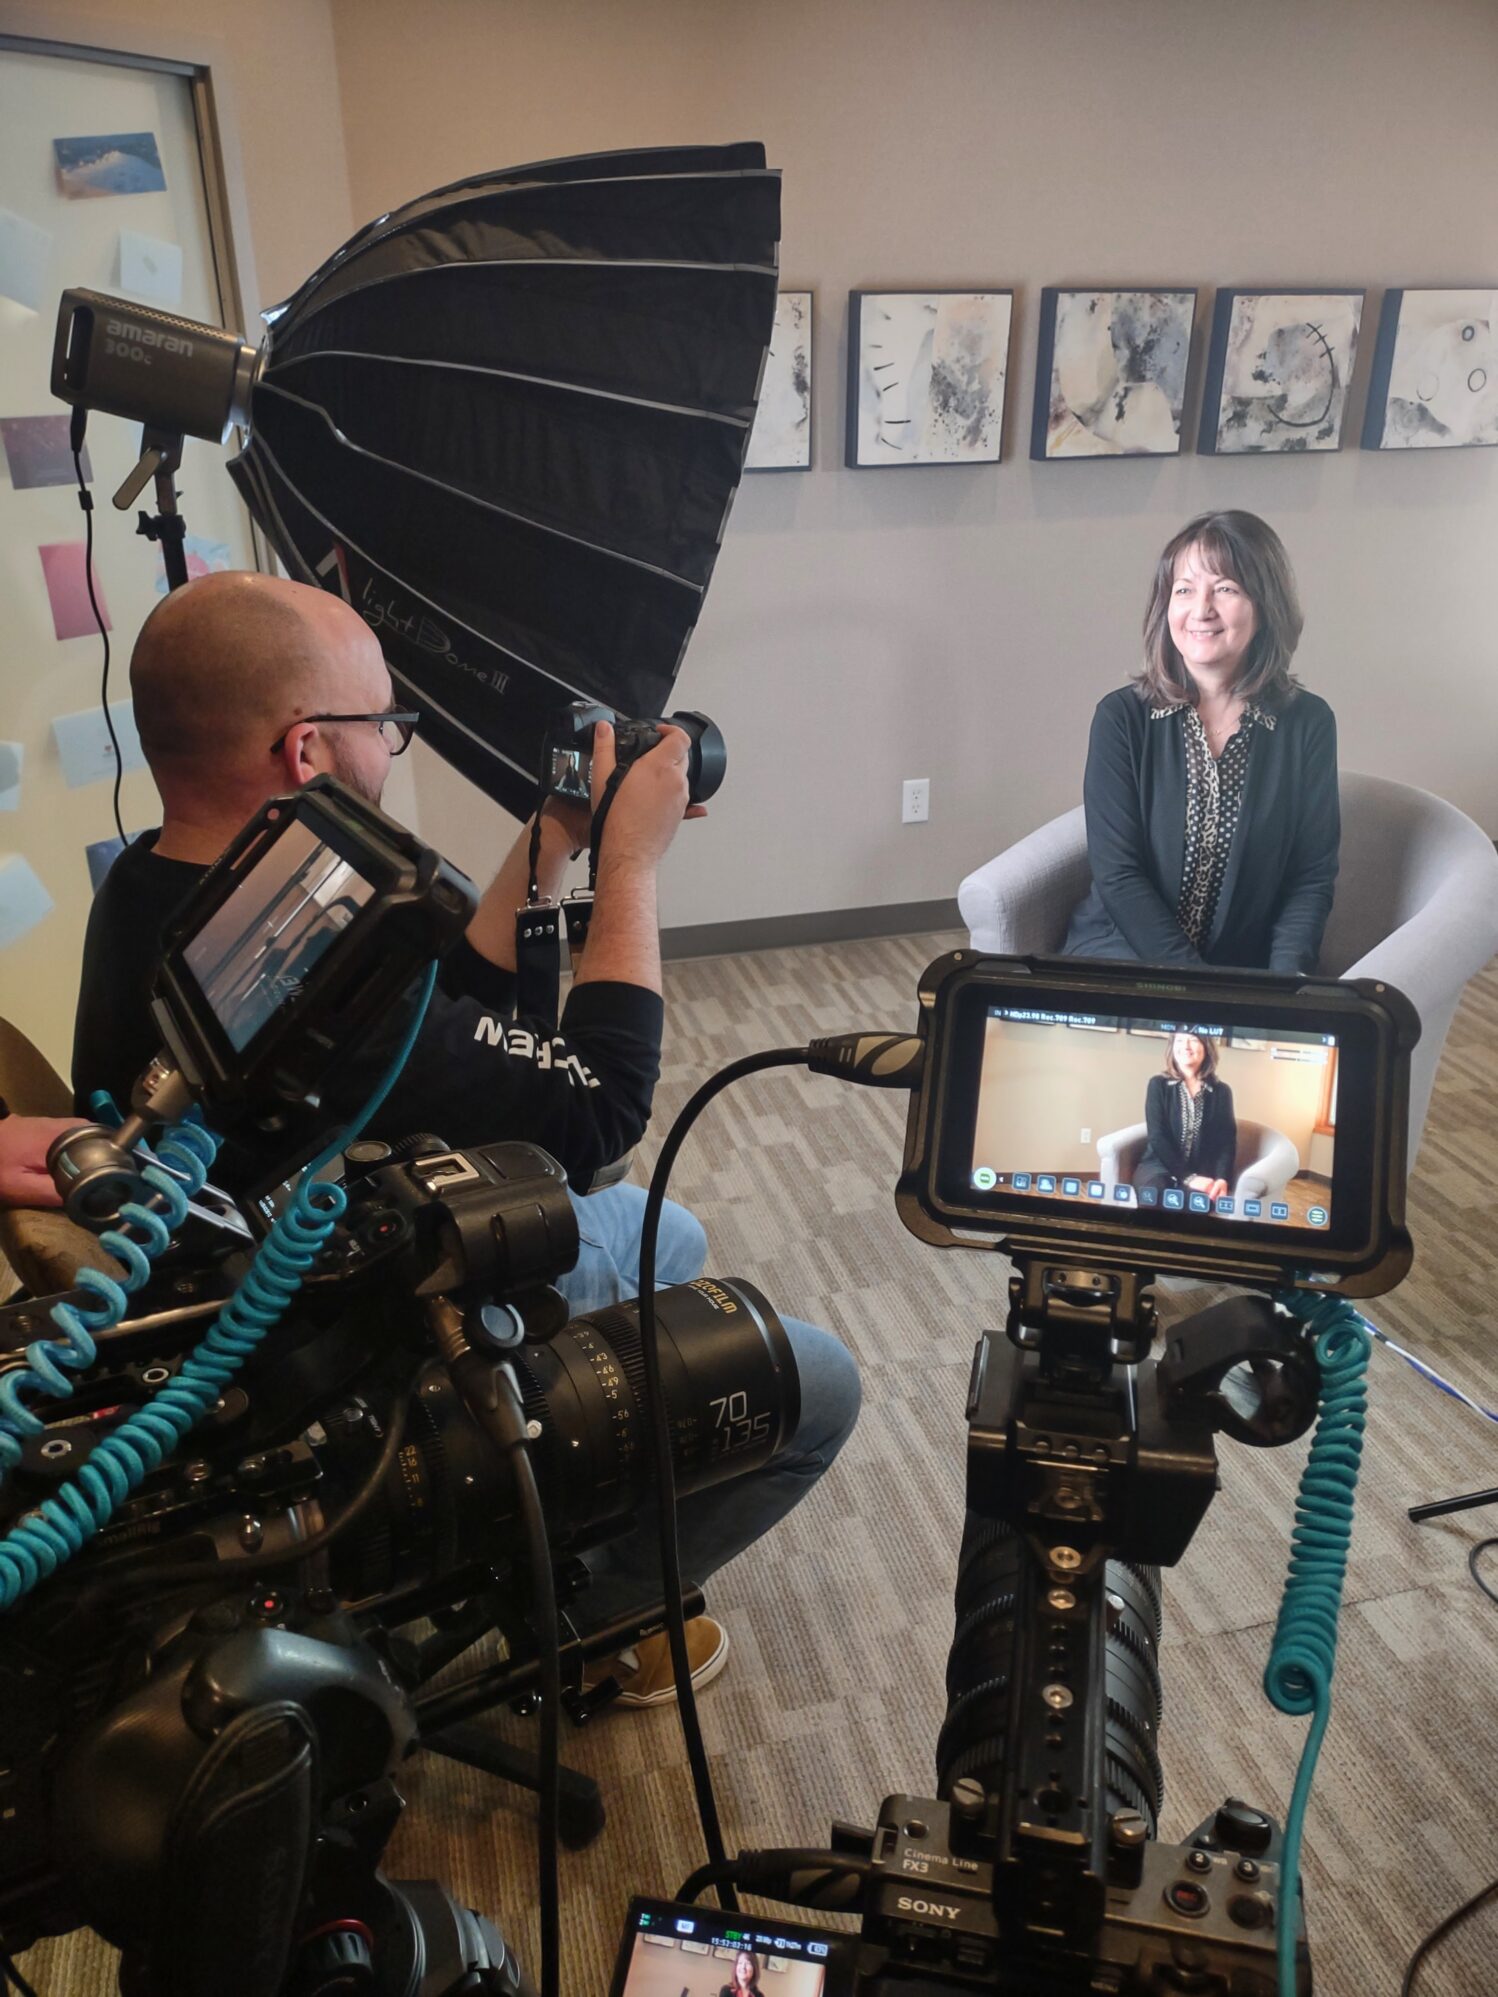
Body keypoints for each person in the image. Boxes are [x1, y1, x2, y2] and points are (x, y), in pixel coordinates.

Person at [70, 572, 860, 1704]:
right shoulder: (293, 964)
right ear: (305, 752)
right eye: (382, 727)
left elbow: (439, 1007)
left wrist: (548, 846)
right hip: (339, 1371)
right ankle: (579, 1615)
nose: (390, 751)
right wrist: (629, 866)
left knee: (661, 1230)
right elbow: (596, 1111)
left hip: (264, 1294)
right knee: (818, 1376)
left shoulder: (160, 885)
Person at [1062, 511, 1339, 974]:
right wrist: (1194, 986)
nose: (1201, 610)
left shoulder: (1307, 724)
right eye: (1184, 590)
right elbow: (1118, 876)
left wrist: (1287, 985)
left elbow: (1309, 879)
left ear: (1266, 604)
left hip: (1242, 970)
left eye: (1226, 589)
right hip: (1122, 955)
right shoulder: (1122, 718)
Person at [1132, 1033, 1237, 1203]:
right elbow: (1157, 1137)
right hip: (1158, 1166)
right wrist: (1188, 1177)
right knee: (1153, 1196)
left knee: (1194, 1206)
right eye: (1179, 1040)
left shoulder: (1222, 1091)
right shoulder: (1158, 1084)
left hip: (1202, 1171)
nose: (1186, 1046)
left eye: (1194, 1040)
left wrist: (1222, 1178)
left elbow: (1226, 1142)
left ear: (1207, 1047)